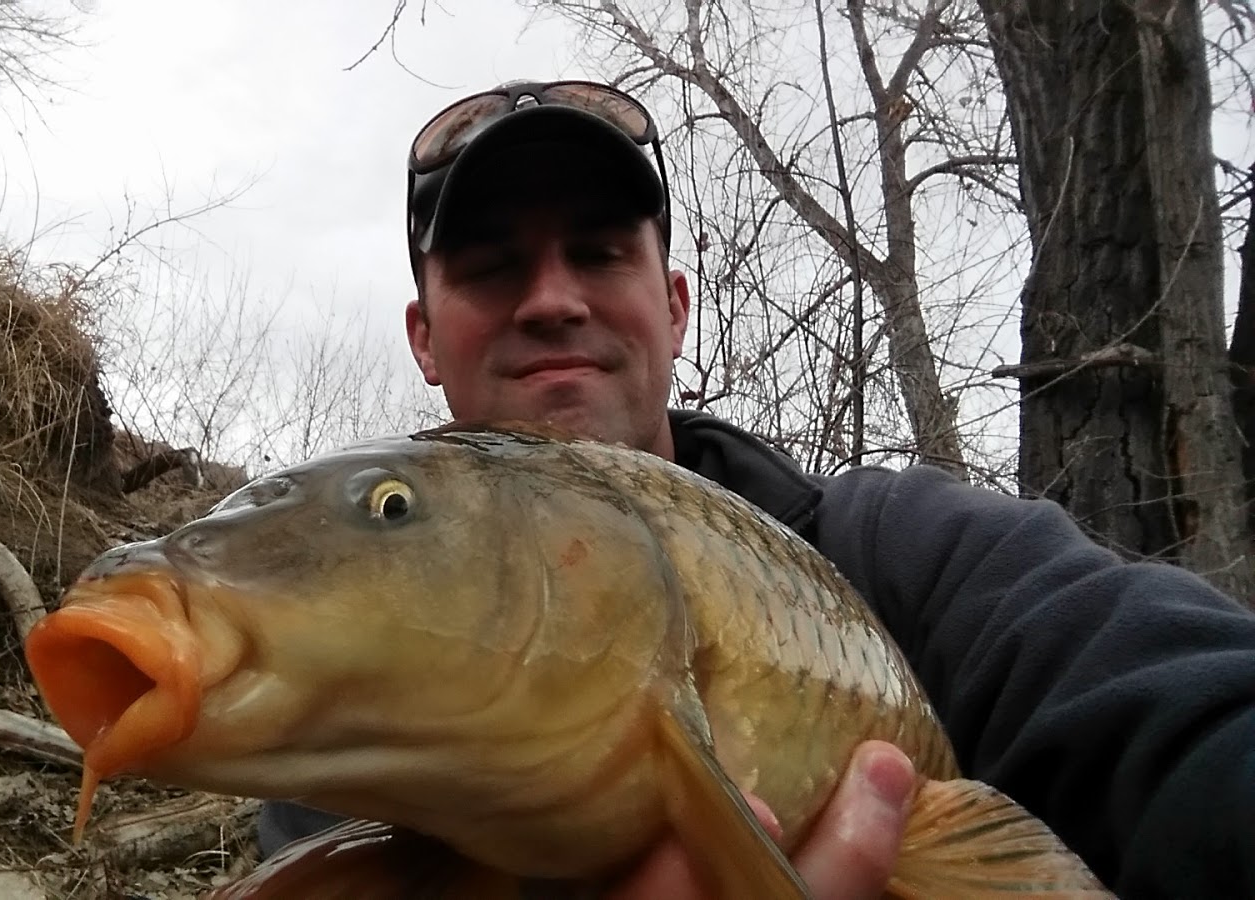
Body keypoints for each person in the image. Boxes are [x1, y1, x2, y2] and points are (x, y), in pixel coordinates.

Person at [256, 78, 1255, 898]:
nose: (553, 299)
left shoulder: (909, 553)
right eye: (489, 266)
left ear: (676, 306)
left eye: (600, 253)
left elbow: (1194, 718)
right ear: (423, 338)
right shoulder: (339, 700)